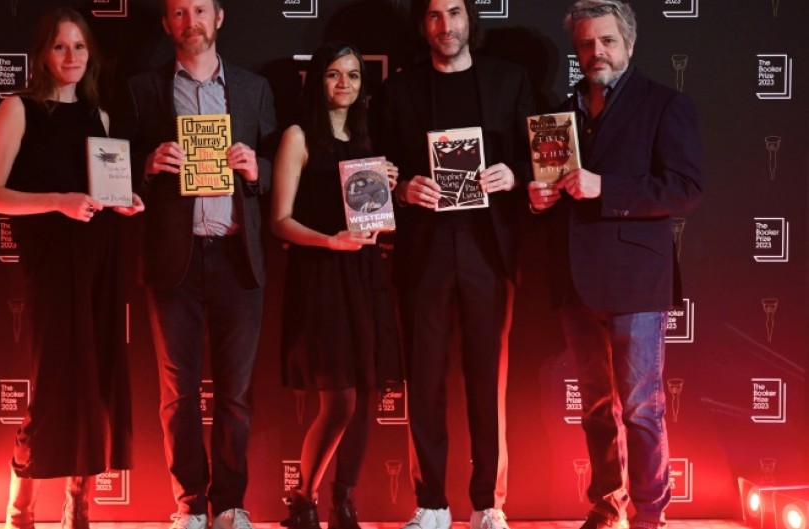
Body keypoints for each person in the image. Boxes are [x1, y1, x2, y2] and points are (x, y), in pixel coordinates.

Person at [527, 2, 703, 529]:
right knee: (596, 407)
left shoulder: (666, 104)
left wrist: (606, 188)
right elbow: (556, 188)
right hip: (577, 280)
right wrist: (539, 201)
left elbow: (685, 187)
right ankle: (608, 505)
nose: (596, 52)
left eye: (606, 41)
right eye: (586, 44)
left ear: (628, 43)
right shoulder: (561, 113)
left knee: (642, 407)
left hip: (636, 282)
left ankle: (650, 514)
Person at [0, 7, 144, 529]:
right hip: (51, 266)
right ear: (42, 53)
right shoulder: (18, 109)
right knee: (52, 388)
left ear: (91, 54)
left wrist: (123, 202)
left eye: (79, 46)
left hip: (100, 261)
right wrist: (58, 201)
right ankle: (20, 507)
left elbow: (101, 193)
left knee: (97, 385)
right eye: (60, 46)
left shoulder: (101, 117)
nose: (71, 56)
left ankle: (79, 503)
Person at [113, 0, 277, 528]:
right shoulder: (142, 89)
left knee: (236, 393)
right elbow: (113, 166)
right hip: (173, 261)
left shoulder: (253, 88)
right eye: (180, 13)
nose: (192, 22)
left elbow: (281, 165)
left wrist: (257, 168)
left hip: (237, 257)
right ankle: (190, 505)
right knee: (178, 393)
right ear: (167, 24)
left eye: (200, 10)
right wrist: (146, 164)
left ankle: (229, 504)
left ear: (219, 18)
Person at [374, 1, 533, 529]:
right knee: (424, 379)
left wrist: (514, 175)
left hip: (489, 248)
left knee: (488, 379)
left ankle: (488, 504)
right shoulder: (398, 91)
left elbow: (542, 155)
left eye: (455, 12)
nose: (446, 26)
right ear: (423, 25)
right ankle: (431, 504)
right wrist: (402, 188)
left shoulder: (510, 81)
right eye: (435, 15)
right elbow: (375, 169)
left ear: (470, 20)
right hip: (425, 249)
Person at [271, 41, 402, 529]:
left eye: (353, 75)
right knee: (341, 398)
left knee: (364, 394)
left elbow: (376, 221)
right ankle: (303, 501)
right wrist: (331, 241)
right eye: (333, 74)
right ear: (317, 81)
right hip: (322, 276)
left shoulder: (368, 142)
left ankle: (343, 503)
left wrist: (386, 190)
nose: (343, 83)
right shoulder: (298, 136)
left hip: (366, 276)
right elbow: (280, 221)